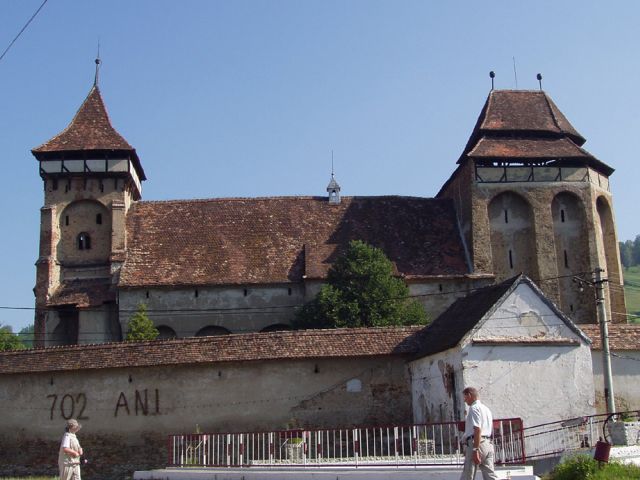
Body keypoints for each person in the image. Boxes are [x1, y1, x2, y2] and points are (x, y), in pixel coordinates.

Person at [460, 387, 498, 480]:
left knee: (468, 475)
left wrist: (475, 449)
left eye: (465, 397)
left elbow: (477, 429)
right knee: (490, 475)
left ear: (469, 395)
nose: (465, 401)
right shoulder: (486, 409)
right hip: (488, 444)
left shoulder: (474, 408)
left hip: (477, 443)